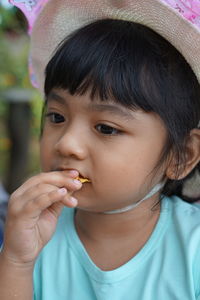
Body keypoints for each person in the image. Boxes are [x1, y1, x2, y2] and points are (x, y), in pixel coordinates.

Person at [1, 1, 200, 299]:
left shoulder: (194, 248)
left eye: (106, 128)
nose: (66, 143)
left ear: (181, 155)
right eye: (57, 117)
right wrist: (16, 261)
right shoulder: (33, 239)